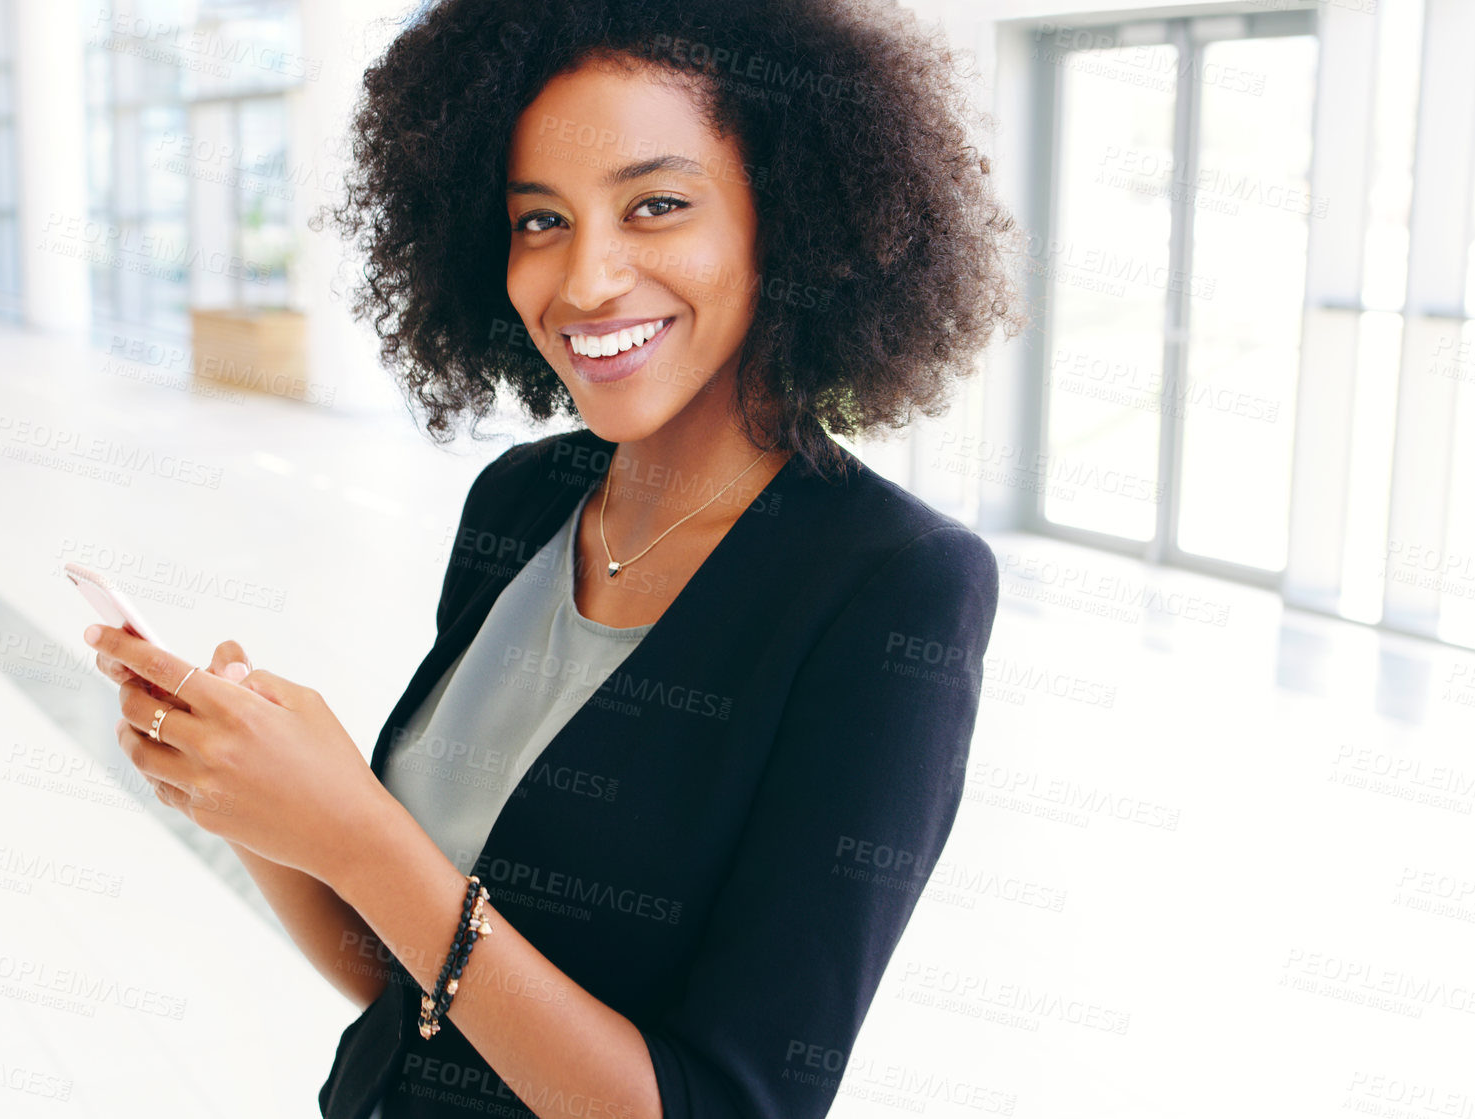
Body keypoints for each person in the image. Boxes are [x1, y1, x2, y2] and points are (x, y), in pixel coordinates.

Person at [84, 1, 1024, 1116]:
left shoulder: (889, 584)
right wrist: (264, 810)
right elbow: (413, 991)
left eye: (657, 205)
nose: (584, 283)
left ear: (792, 217)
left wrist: (355, 827)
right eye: (540, 222)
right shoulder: (524, 498)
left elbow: (728, 1101)